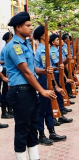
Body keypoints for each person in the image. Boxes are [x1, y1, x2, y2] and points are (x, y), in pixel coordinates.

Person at [5, 11, 57, 159]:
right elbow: (26, 72)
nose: (30, 28)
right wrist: (42, 91)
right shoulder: (15, 46)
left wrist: (44, 71)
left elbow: (32, 69)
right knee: (23, 128)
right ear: (18, 27)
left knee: (32, 127)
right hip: (20, 92)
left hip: (28, 91)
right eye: (27, 25)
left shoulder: (25, 44)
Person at [33, 26, 67, 146]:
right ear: (43, 36)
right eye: (47, 33)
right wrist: (55, 86)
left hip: (47, 79)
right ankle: (41, 135)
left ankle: (52, 132)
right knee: (42, 109)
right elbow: (47, 71)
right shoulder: (42, 51)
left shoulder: (45, 49)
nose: (49, 35)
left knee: (48, 108)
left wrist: (58, 69)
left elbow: (50, 70)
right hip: (43, 80)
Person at [49, 34, 73, 124]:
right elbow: (58, 64)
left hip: (59, 73)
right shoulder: (53, 52)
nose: (60, 41)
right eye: (57, 40)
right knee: (57, 95)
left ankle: (61, 112)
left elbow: (61, 65)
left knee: (60, 94)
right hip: (55, 75)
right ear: (53, 42)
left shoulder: (57, 50)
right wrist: (66, 59)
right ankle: (58, 115)